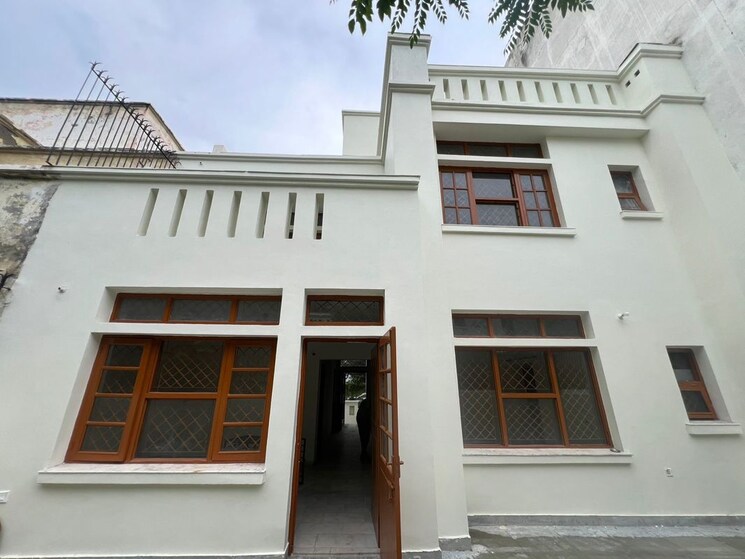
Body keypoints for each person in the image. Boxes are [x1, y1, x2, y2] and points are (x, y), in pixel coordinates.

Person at [355, 397, 371, 462]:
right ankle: (364, 455)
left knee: (363, 441)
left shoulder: (360, 411)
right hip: (364, 428)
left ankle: (364, 454)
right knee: (365, 441)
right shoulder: (364, 412)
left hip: (362, 428)